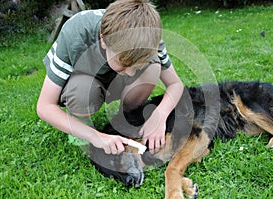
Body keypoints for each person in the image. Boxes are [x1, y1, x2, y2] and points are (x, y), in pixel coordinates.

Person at [37, 0, 184, 155]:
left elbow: (175, 84)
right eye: (124, 63)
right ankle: (80, 123)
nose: (131, 73)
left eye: (137, 66)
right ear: (103, 40)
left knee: (152, 68)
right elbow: (45, 106)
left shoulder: (149, 37)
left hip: (117, 83)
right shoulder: (75, 33)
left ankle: (129, 115)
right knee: (82, 91)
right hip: (86, 81)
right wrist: (95, 136)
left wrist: (159, 117)